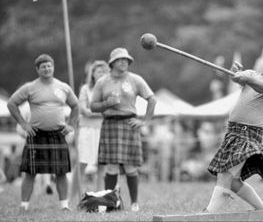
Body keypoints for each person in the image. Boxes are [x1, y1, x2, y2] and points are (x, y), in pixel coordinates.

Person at [200, 53, 263, 213]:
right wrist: (235, 73)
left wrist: (246, 77)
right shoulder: (254, 74)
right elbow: (238, 78)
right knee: (233, 182)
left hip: (248, 133)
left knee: (225, 175)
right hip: (233, 132)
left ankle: (207, 215)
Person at [7, 54, 79, 212]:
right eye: (43, 66)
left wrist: (71, 124)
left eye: (49, 66)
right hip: (36, 134)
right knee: (30, 172)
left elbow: (76, 106)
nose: (47, 68)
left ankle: (64, 205)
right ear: (37, 69)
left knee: (61, 171)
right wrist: (23, 123)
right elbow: (12, 103)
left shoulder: (63, 87)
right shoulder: (30, 87)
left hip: (57, 134)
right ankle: (24, 206)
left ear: (53, 67)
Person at [90, 48, 156, 212]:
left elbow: (152, 99)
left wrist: (145, 120)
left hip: (129, 124)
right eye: (120, 60)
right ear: (112, 63)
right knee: (111, 167)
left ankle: (134, 203)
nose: (124, 62)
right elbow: (93, 106)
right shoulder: (103, 81)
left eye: (126, 60)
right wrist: (106, 104)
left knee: (130, 167)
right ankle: (110, 203)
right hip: (110, 124)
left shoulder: (135, 79)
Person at [70, 60, 109, 199]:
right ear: (92, 74)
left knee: (101, 166)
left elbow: (111, 110)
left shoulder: (108, 89)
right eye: (99, 71)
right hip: (87, 130)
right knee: (81, 164)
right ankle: (72, 197)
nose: (102, 74)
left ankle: (99, 197)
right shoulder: (85, 89)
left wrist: (98, 111)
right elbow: (83, 110)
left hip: (103, 130)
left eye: (104, 71)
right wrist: (101, 111)